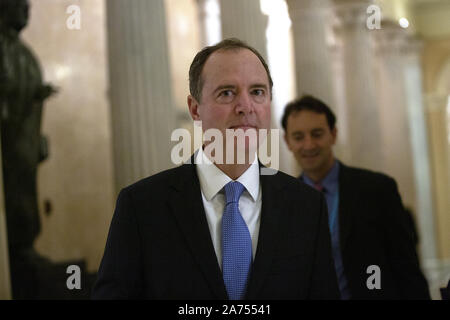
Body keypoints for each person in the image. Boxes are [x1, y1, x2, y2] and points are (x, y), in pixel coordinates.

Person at [92, 39, 340, 299]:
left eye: (257, 92)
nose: (246, 107)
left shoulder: (306, 206)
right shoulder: (141, 206)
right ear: (195, 109)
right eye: (227, 93)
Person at [281, 95, 431, 300]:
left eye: (317, 134)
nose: (308, 145)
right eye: (298, 137)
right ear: (287, 141)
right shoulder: (282, 202)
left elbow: (406, 269)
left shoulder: (377, 190)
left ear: (333, 135)